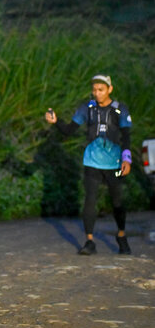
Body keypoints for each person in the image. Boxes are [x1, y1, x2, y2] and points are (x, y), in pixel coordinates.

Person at [45, 74, 133, 256]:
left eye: (101, 90)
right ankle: (90, 241)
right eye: (94, 90)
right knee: (90, 199)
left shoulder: (119, 110)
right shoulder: (87, 108)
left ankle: (121, 235)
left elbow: (126, 136)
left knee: (117, 200)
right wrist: (56, 122)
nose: (97, 93)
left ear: (110, 89)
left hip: (115, 164)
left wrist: (126, 159)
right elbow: (69, 130)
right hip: (92, 161)